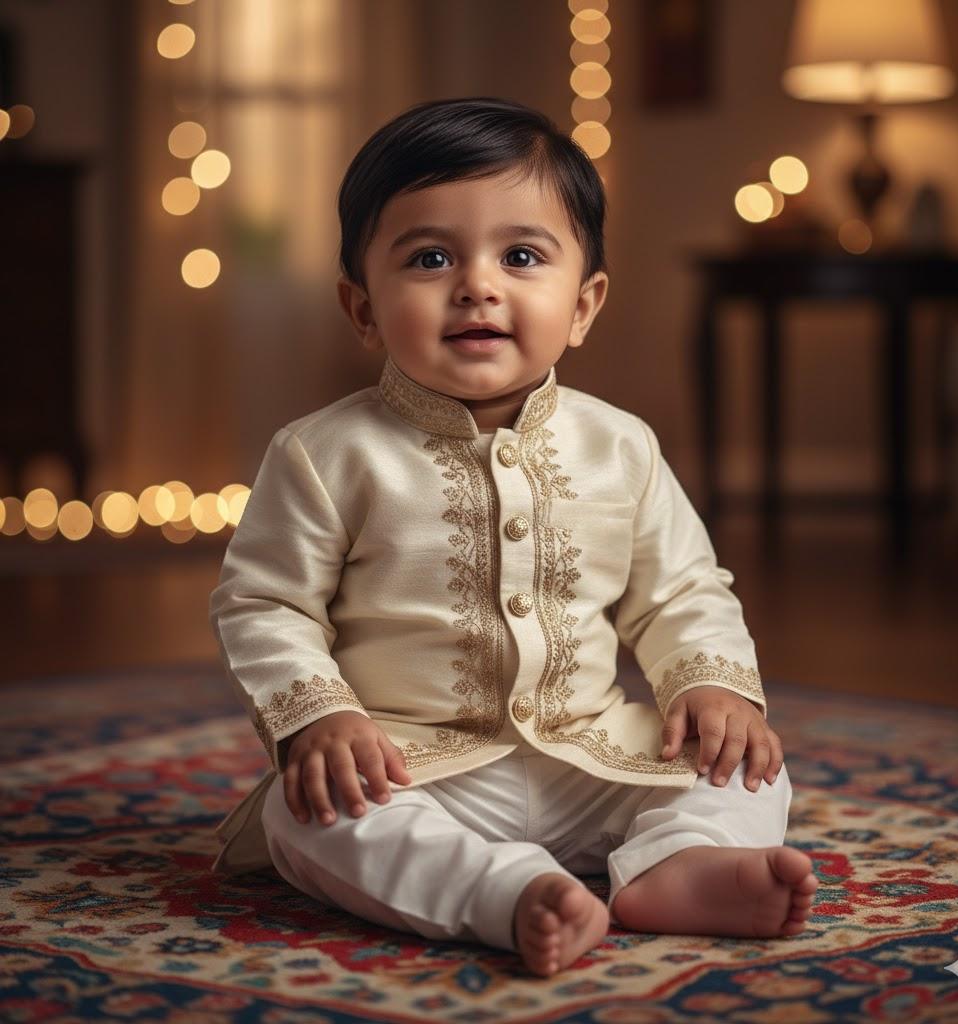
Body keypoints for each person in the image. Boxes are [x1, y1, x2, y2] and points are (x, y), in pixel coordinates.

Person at [208, 96, 818, 978]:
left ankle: (678, 866)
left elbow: (683, 590)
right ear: (363, 308)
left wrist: (716, 687)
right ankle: (503, 892)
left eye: (522, 256)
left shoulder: (622, 446)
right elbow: (264, 602)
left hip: (592, 755)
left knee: (748, 766)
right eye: (429, 258)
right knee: (305, 815)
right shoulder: (323, 454)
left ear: (583, 303)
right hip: (409, 768)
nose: (478, 286)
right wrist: (322, 716)